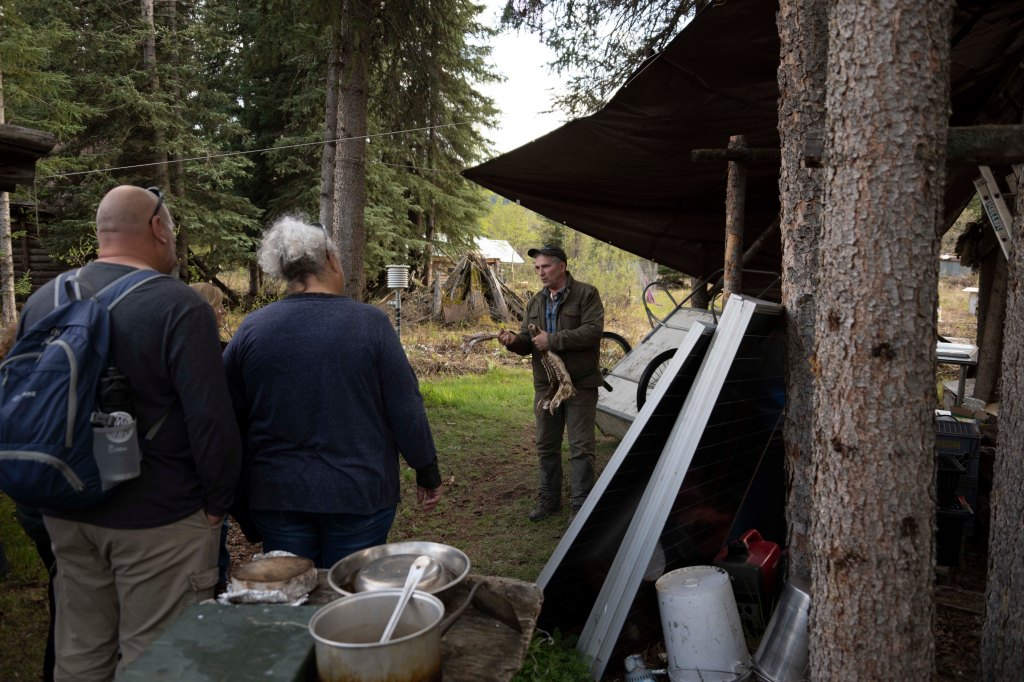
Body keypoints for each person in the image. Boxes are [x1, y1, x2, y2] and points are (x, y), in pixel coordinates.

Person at [17, 185, 241, 681]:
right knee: (157, 659)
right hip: (159, 519)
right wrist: (216, 505)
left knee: (80, 652)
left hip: (66, 509)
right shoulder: (179, 306)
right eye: (173, 229)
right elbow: (211, 419)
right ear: (158, 227)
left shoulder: (45, 299)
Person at [223, 217, 443, 569]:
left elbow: (227, 414)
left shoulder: (252, 328)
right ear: (330, 259)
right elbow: (405, 406)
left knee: (294, 591)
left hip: (279, 496)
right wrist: (426, 469)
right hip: (358, 494)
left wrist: (231, 492)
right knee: (349, 592)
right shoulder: (371, 324)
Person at [499, 244, 604, 521]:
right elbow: (528, 342)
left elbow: (593, 331)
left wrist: (553, 340)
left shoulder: (586, 294)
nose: (540, 272)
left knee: (581, 448)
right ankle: (549, 499)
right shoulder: (536, 301)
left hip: (580, 383)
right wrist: (513, 341)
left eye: (545, 266)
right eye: (537, 268)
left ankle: (581, 506)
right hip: (547, 385)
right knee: (546, 444)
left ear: (562, 266)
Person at [189, 282, 232, 593]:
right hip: (203, 472)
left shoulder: (223, 349)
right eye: (219, 306)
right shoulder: (212, 355)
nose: (223, 312)